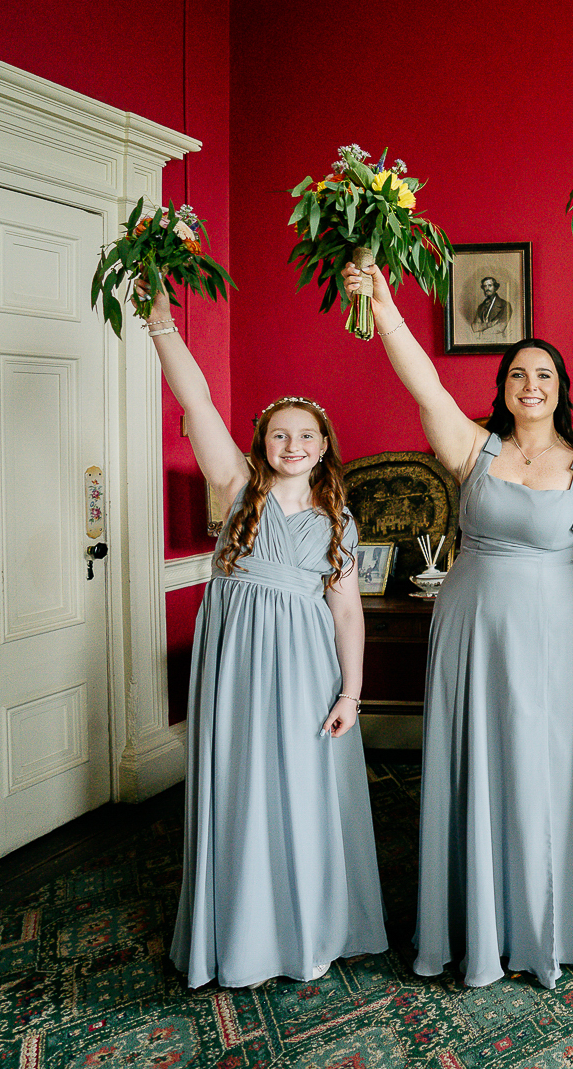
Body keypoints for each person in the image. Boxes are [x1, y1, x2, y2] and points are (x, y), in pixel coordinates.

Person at [344, 263, 573, 989]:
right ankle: (477, 927)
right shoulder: (475, 449)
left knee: (550, 774)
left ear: (561, 390)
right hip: (473, 633)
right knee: (480, 767)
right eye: (518, 373)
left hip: (560, 638)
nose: (531, 384)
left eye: (545, 374)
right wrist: (383, 302)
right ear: (502, 387)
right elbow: (422, 382)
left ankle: (550, 927)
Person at [146, 291, 386, 989]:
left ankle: (308, 925)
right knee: (244, 785)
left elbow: (347, 612)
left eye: (305, 436)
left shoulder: (337, 516)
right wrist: (162, 321)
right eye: (280, 435)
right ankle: (243, 935)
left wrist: (353, 690)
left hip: (309, 665)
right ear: (261, 444)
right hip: (239, 666)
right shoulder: (235, 483)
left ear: (323, 446)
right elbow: (196, 402)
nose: (292, 446)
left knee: (304, 789)